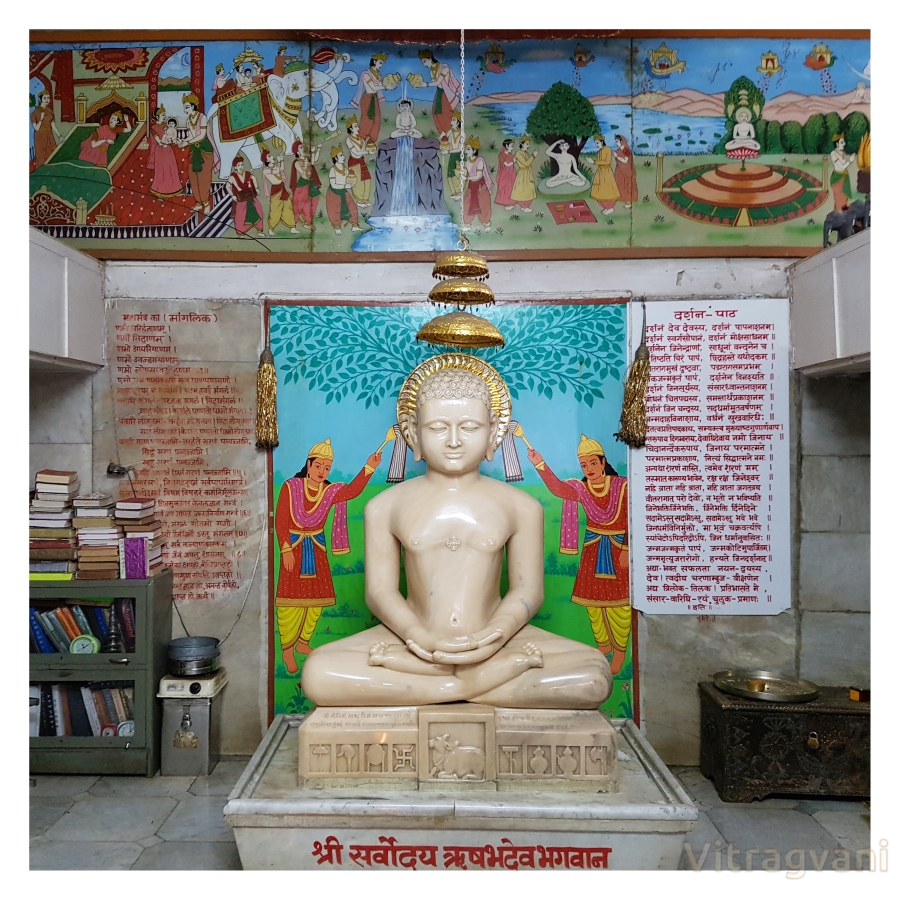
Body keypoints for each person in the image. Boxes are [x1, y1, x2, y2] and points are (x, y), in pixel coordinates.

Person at [300, 357, 612, 708]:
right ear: (414, 432)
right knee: (317, 673)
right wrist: (416, 636)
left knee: (593, 676)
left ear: (493, 432)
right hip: (411, 644)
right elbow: (380, 591)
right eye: (436, 428)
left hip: (497, 642)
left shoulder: (520, 506)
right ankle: (464, 687)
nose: (453, 441)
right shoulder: (386, 506)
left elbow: (527, 590)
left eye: (469, 427)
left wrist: (497, 634)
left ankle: (449, 683)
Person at [275, 438, 382, 674]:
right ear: (308, 464)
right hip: (293, 549)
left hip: (317, 550)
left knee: (315, 604)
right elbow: (281, 520)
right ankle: (287, 650)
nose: (322, 472)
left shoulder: (329, 491)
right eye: (318, 466)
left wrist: (369, 467)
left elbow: (352, 492)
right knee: (289, 604)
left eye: (327, 468)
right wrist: (284, 549)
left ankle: (303, 643)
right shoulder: (291, 487)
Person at [526, 435, 630, 675]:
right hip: (593, 550)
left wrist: (626, 548)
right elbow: (558, 489)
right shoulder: (581, 489)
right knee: (593, 605)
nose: (589, 469)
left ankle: (620, 651)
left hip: (617, 551)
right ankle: (603, 646)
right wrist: (539, 463)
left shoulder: (621, 486)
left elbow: (630, 519)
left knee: (619, 607)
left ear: (603, 463)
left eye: (593, 463)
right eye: (584, 465)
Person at [177, 93, 215, 216]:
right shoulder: (189, 121)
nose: (185, 110)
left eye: (187, 107)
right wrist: (183, 141)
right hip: (194, 150)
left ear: (193, 106)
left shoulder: (202, 117)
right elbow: (192, 135)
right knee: (193, 177)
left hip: (204, 150)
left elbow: (202, 135)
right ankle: (199, 202)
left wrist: (187, 142)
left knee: (204, 178)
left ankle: (206, 204)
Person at [417, 49, 461, 139]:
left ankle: (450, 135)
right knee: (435, 113)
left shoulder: (444, 68)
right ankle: (443, 134)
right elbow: (436, 83)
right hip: (439, 93)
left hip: (447, 94)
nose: (424, 64)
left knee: (446, 114)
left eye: (425, 61)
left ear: (430, 58)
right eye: (423, 62)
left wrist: (425, 84)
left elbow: (438, 82)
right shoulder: (432, 71)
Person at [351, 52, 389, 145]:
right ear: (374, 61)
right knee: (367, 119)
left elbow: (379, 86)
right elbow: (371, 87)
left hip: (374, 99)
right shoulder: (366, 74)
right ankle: (361, 139)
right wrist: (385, 87)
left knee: (377, 119)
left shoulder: (378, 74)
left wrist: (389, 85)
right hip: (367, 98)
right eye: (380, 62)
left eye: (382, 63)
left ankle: (371, 141)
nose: (381, 65)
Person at [261, 147, 298, 236]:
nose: (272, 157)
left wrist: (281, 160)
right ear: (266, 159)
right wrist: (279, 162)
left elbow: (281, 168)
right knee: (275, 210)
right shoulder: (265, 170)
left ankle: (292, 227)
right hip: (275, 191)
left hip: (282, 188)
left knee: (288, 206)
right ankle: (271, 228)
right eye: (269, 156)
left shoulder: (275, 166)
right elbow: (277, 170)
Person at [146, 107, 182, 199]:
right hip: (160, 151)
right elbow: (159, 142)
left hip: (168, 150)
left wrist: (172, 140)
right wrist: (165, 142)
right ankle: (160, 193)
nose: (164, 117)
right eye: (163, 115)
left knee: (171, 169)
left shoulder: (166, 125)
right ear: (157, 116)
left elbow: (172, 135)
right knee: (162, 172)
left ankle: (174, 190)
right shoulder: (153, 128)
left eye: (164, 115)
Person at [326, 147, 361, 235]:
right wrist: (346, 185)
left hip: (343, 191)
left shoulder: (345, 169)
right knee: (335, 210)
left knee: (351, 207)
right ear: (336, 158)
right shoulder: (333, 170)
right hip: (334, 193)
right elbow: (334, 184)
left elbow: (348, 179)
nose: (344, 157)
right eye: (341, 155)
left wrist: (352, 181)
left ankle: (355, 226)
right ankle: (337, 227)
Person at [461, 137, 493, 231]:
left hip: (480, 186)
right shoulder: (466, 162)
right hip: (471, 186)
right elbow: (465, 175)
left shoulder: (480, 160)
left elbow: (478, 176)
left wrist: (466, 177)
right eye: (466, 148)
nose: (466, 151)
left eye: (468, 149)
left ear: (474, 150)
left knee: (483, 204)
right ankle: (467, 224)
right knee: (467, 203)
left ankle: (486, 223)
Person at [227, 154, 263, 235]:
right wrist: (232, 195)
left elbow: (253, 178)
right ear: (235, 167)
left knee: (259, 210)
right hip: (241, 199)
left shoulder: (247, 173)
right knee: (241, 216)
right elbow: (227, 186)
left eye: (242, 165)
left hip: (250, 197)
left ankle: (259, 230)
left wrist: (256, 188)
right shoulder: (233, 176)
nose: (241, 167)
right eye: (238, 165)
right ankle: (241, 233)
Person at [290, 139, 322, 230]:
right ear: (297, 151)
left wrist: (317, 150)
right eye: (301, 147)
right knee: (298, 206)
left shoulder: (307, 159)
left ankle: (308, 222)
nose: (303, 148)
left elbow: (314, 160)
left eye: (303, 146)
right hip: (302, 185)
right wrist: (310, 154)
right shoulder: (296, 162)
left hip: (311, 183)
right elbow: (305, 172)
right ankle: (293, 225)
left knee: (312, 203)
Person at [345, 117, 374, 208]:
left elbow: (365, 149)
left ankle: (365, 199)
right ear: (350, 129)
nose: (358, 128)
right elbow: (355, 152)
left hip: (361, 161)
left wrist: (371, 149)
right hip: (354, 162)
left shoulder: (361, 139)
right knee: (358, 181)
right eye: (355, 126)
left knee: (367, 179)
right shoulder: (349, 140)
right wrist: (367, 152)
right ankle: (359, 200)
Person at [587, 134, 620, 215]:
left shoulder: (607, 149)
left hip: (606, 173)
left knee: (608, 190)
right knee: (600, 190)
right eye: (595, 143)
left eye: (597, 143)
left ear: (602, 142)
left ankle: (610, 207)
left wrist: (594, 162)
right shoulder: (600, 151)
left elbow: (607, 162)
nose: (596, 145)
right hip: (600, 172)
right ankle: (606, 207)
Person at [31, 90, 61, 170]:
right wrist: (40, 119)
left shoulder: (50, 111)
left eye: (48, 98)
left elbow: (53, 125)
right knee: (41, 156)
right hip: (40, 136)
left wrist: (59, 136)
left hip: (49, 134)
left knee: (51, 154)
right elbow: (36, 128)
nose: (47, 100)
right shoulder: (35, 112)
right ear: (40, 99)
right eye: (45, 98)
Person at [511, 135, 537, 212]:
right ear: (522, 144)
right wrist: (533, 156)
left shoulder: (524, 153)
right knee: (523, 190)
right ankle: (524, 206)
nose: (528, 146)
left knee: (528, 189)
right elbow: (526, 163)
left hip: (527, 173)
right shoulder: (518, 153)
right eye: (527, 144)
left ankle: (525, 206)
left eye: (528, 144)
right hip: (523, 174)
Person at [830, 133, 856, 211]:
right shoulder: (833, 154)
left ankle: (843, 212)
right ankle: (839, 214)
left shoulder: (842, 153)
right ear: (837, 144)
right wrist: (850, 161)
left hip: (844, 177)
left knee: (844, 197)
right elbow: (841, 167)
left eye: (843, 142)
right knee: (839, 197)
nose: (844, 144)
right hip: (837, 178)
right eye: (842, 142)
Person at [442, 110, 464, 200]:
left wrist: (447, 152)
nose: (451, 122)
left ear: (458, 122)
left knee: (458, 174)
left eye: (453, 120)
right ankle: (454, 192)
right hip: (452, 155)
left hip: (459, 155)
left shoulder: (462, 133)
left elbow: (459, 148)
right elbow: (445, 140)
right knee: (450, 174)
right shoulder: (451, 132)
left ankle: (459, 192)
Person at [612, 134, 638, 208]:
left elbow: (625, 160)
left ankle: (628, 202)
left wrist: (617, 156)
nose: (616, 143)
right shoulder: (618, 150)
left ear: (621, 141)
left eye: (617, 141)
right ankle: (622, 199)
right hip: (619, 170)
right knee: (620, 184)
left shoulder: (626, 150)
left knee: (627, 185)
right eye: (615, 141)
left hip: (626, 170)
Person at [494, 137, 516, 209]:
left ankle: (510, 203)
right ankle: (506, 204)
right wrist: (514, 161)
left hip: (511, 174)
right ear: (506, 146)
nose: (512, 148)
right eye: (511, 146)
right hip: (504, 175)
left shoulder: (510, 155)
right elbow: (506, 164)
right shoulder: (501, 155)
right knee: (505, 189)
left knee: (511, 188)